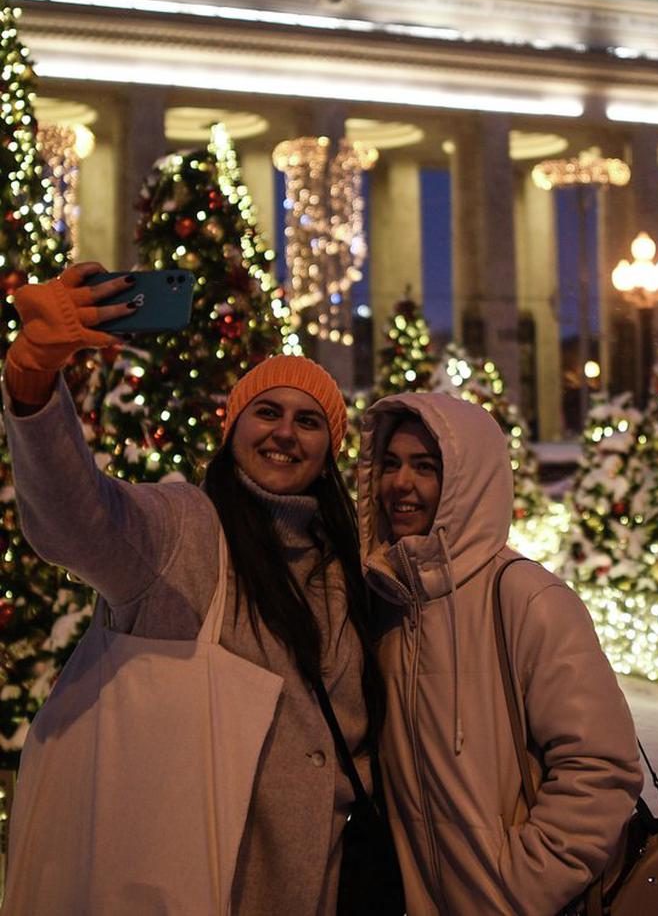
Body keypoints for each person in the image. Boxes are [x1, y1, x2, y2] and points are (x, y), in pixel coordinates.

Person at [1, 262, 385, 915]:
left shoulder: (347, 567)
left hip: (319, 884)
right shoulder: (186, 530)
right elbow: (77, 520)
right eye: (266, 412)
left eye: (308, 420)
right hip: (195, 883)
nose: (285, 432)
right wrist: (34, 381)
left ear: (330, 450)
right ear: (232, 429)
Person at [357, 392, 643, 916]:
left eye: (426, 466)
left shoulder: (527, 598)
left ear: (468, 481)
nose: (401, 483)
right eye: (391, 464)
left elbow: (601, 768)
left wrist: (519, 889)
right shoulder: (385, 603)